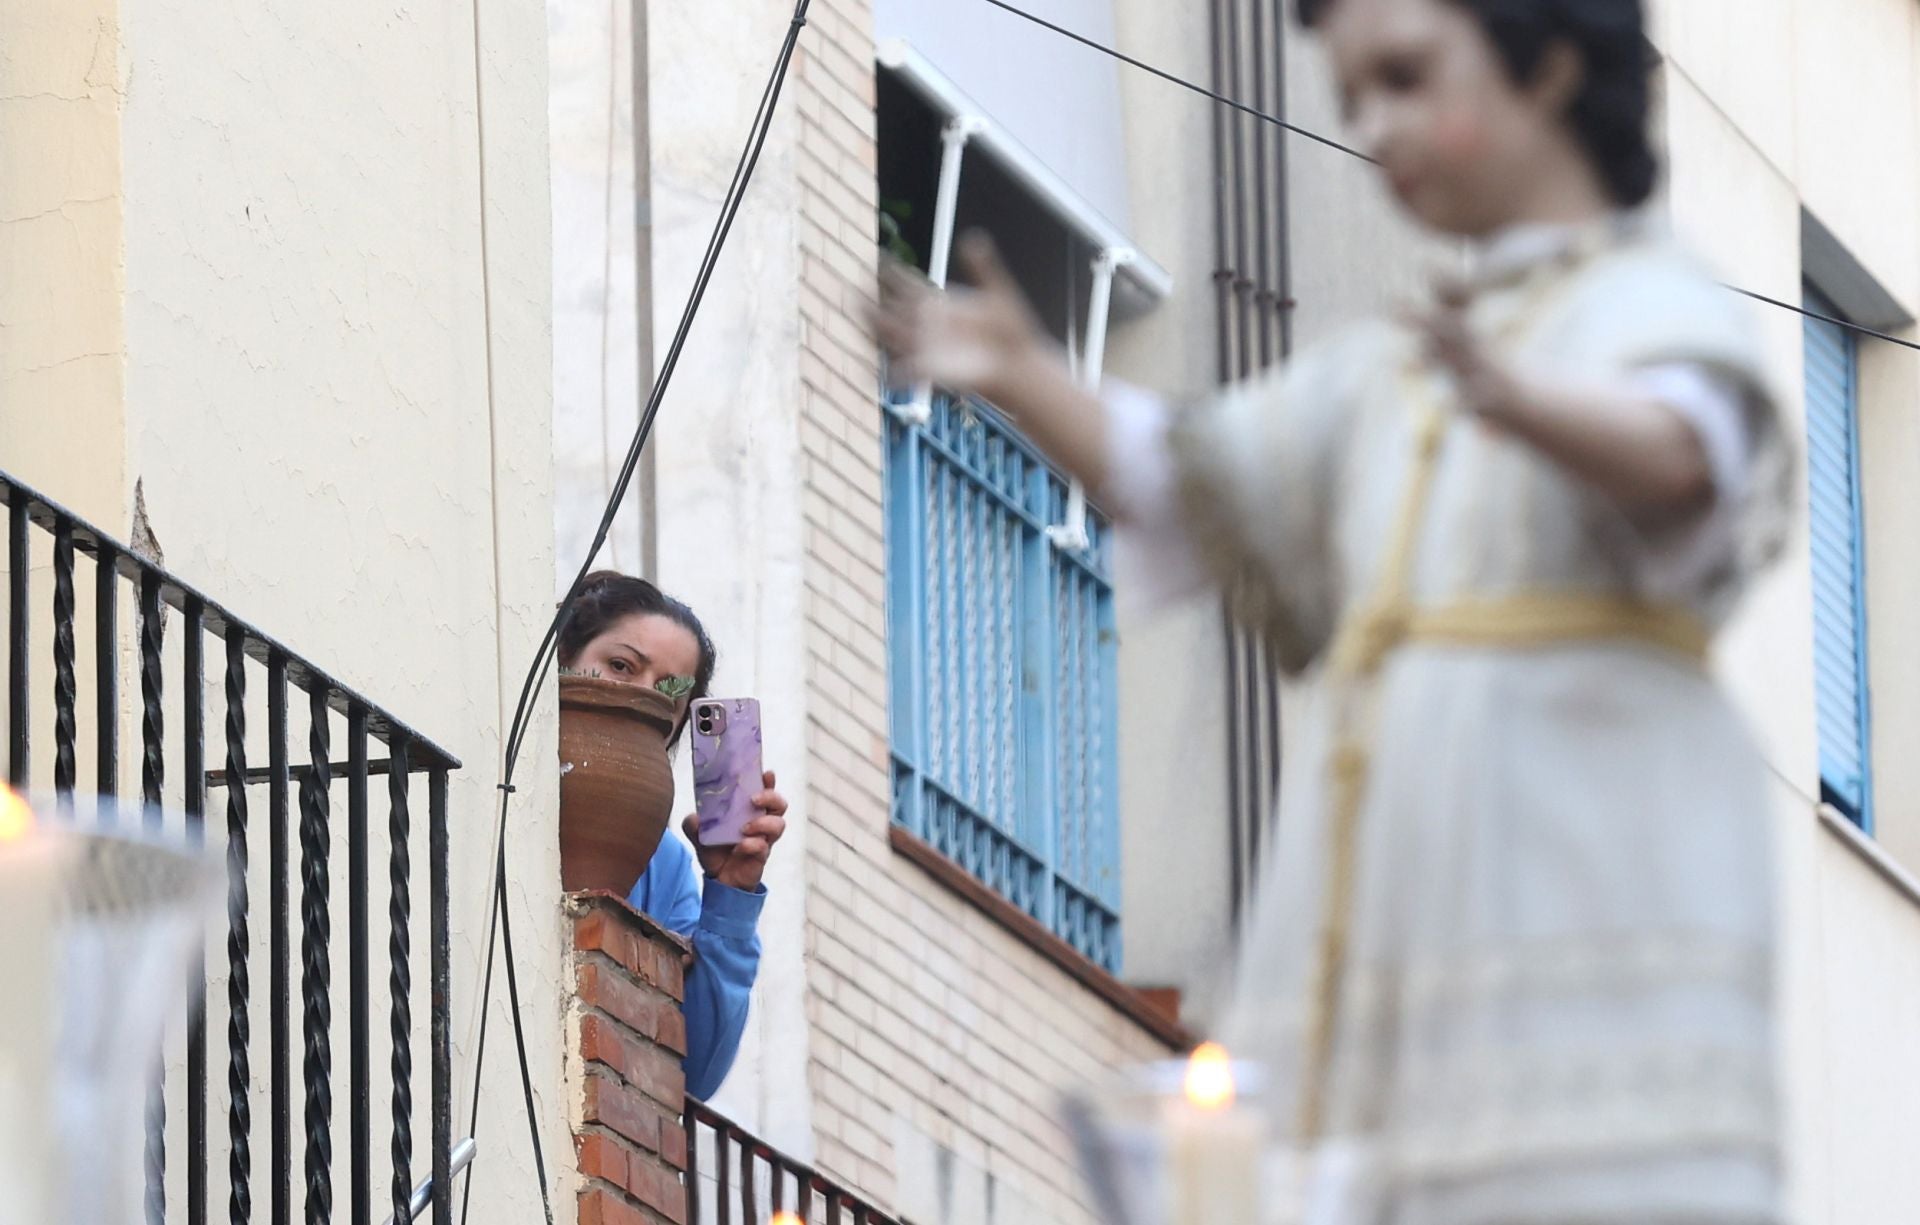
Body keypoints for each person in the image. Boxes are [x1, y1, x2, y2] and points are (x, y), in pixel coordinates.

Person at [876, 0, 1792, 1220]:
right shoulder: (1397, 375)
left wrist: (1529, 404)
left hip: (1578, 863)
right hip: (1405, 888)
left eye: (1408, 78)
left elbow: (1690, 457)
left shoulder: (1639, 302)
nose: (1375, 128)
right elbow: (1185, 475)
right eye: (1355, 96)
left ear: (1554, 66)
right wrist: (1025, 372)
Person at [559, 571, 788, 1101]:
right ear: (564, 656)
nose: (644, 698)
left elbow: (694, 1072)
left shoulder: (664, 862)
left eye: (670, 693)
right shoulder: (504, 782)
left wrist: (730, 894)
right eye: (621, 666)